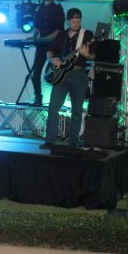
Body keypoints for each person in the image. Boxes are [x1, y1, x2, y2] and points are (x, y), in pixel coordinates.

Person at [40, 8, 95, 149]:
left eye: (78, 21)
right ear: (68, 20)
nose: (76, 24)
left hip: (78, 74)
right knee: (53, 107)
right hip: (61, 75)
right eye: (73, 21)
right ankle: (50, 140)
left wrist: (87, 54)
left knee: (77, 110)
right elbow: (49, 51)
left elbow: (93, 56)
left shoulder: (87, 34)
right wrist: (53, 60)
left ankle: (73, 141)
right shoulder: (62, 35)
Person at [28, 0, 65, 106]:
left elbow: (58, 30)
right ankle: (38, 98)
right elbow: (37, 26)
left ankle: (56, 100)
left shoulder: (58, 8)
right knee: (36, 72)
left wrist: (43, 39)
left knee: (52, 73)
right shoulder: (41, 8)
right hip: (42, 45)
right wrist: (34, 37)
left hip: (54, 45)